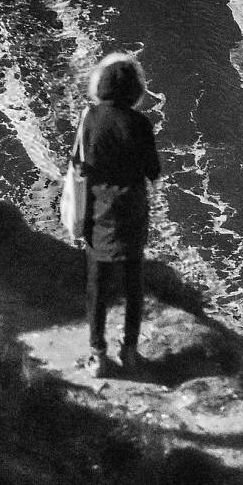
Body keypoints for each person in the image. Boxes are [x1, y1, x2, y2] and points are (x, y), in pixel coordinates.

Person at [72, 52, 162, 378]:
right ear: (135, 89)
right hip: (132, 211)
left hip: (98, 209)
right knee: (133, 284)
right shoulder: (139, 123)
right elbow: (153, 170)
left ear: (101, 84)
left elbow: (80, 166)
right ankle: (130, 352)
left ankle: (98, 355)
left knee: (97, 285)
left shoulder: (90, 118)